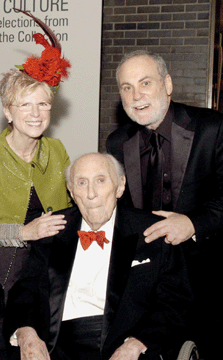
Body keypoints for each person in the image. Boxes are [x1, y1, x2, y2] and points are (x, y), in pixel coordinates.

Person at [4, 153, 192, 360]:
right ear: (72, 191)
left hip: (125, 343)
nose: (91, 193)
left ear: (120, 186)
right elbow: (23, 293)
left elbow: (175, 301)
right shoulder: (52, 231)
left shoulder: (152, 231)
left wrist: (136, 344)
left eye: (100, 181)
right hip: (56, 346)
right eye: (82, 183)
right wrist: (26, 334)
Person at [106, 49, 223, 359]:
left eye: (145, 83)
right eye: (127, 87)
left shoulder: (213, 127)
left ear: (167, 84)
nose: (136, 95)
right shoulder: (117, 143)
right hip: (151, 293)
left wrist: (193, 223)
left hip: (209, 283)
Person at [0, 11, 71, 360]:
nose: (35, 113)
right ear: (8, 111)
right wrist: (24, 232)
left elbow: (64, 213)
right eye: (25, 105)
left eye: (43, 104)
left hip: (38, 278)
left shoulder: (57, 151)